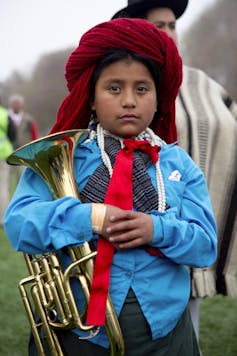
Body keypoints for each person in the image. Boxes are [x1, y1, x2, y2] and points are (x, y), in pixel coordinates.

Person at [4, 18, 217, 355]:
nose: (129, 100)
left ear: (160, 99)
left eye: (142, 89)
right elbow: (18, 224)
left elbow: (206, 246)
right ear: (91, 97)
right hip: (77, 335)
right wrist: (88, 217)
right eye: (114, 88)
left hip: (166, 335)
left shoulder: (180, 165)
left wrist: (156, 229)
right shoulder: (62, 154)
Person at [112, 0, 237, 341]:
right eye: (158, 26)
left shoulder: (204, 85)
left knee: (185, 329)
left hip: (194, 222)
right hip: (137, 236)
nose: (168, 32)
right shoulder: (124, 84)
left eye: (171, 25)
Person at [0, 99, 16, 226]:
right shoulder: (5, 114)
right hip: (4, 153)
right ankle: (3, 217)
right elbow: (13, 135)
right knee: (3, 187)